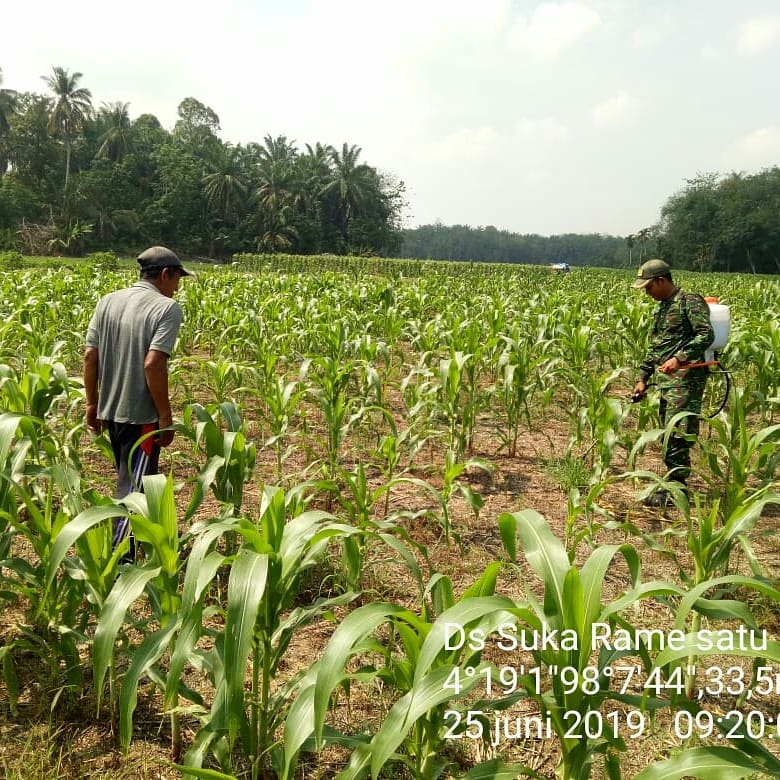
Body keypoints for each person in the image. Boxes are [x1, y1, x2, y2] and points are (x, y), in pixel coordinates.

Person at [83, 246, 192, 556]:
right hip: (141, 417)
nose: (177, 288)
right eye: (177, 280)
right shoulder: (166, 308)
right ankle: (121, 563)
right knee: (132, 489)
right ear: (166, 274)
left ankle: (141, 544)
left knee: (131, 480)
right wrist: (165, 417)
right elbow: (153, 364)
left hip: (110, 411)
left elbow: (91, 355)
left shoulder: (108, 301)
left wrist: (92, 404)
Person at [631, 259, 714, 507]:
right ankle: (672, 487)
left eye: (648, 287)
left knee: (677, 434)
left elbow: (705, 334)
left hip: (686, 380)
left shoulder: (689, 301)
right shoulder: (663, 308)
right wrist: (642, 378)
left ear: (661, 281)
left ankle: (677, 492)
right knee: (668, 434)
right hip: (668, 383)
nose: (647, 293)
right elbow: (657, 348)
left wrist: (680, 358)